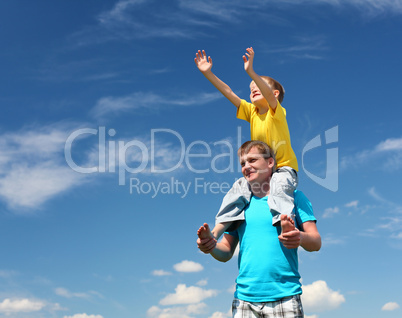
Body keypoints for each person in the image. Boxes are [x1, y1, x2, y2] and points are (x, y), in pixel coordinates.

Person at [197, 140, 321, 318]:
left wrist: (298, 237)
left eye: (253, 160)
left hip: (284, 297)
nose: (246, 166)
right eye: (242, 163)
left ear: (270, 162)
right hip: (244, 301)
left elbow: (316, 242)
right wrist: (210, 245)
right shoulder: (240, 205)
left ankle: (286, 224)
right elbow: (225, 252)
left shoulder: (294, 198)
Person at [194, 47, 298, 240]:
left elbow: (267, 93)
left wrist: (251, 72)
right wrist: (208, 73)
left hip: (282, 168)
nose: (253, 90)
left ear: (274, 94)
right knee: (237, 190)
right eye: (251, 89)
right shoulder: (251, 112)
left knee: (279, 186)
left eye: (258, 86)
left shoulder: (277, 112)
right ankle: (216, 232)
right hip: (260, 171)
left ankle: (285, 223)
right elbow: (228, 92)